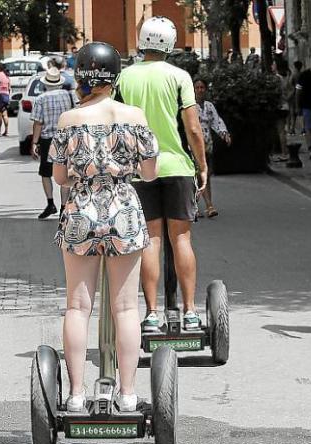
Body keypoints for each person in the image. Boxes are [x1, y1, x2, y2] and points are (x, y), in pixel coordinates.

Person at [49, 41, 158, 411]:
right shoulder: (135, 116)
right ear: (115, 76)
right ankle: (127, 394)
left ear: (80, 76)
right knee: (125, 308)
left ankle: (76, 394)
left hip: (81, 210)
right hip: (123, 208)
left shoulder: (68, 120)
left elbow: (59, 177)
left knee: (78, 307)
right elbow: (150, 172)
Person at [117, 16, 209, 332]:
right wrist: (202, 165)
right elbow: (193, 129)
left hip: (139, 168)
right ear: (170, 43)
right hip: (177, 166)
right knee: (181, 238)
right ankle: (190, 311)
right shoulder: (179, 77)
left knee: (150, 240)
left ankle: (152, 314)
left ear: (142, 41)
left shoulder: (124, 77)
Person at [31, 66, 76, 219]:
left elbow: (38, 123)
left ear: (45, 83)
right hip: (66, 137)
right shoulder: (69, 96)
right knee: (65, 172)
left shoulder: (41, 99)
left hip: (47, 140)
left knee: (45, 173)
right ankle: (64, 206)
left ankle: (50, 203)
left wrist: (34, 143)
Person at [193, 76, 230, 218]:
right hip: (194, 145)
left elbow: (216, 121)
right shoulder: (189, 106)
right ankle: (206, 205)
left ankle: (204, 205)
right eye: (197, 88)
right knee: (198, 175)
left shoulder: (209, 106)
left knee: (206, 175)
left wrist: (224, 134)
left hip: (207, 145)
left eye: (202, 87)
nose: (200, 90)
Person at [273, 60, 291, 162]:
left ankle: (284, 153)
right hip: (285, 105)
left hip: (280, 106)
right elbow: (290, 90)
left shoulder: (277, 78)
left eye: (274, 64)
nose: (272, 66)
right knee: (282, 130)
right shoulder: (285, 77)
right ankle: (285, 152)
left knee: (280, 131)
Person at [0, 62, 11, 136]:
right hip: (6, 95)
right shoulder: (6, 75)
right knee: (5, 114)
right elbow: (9, 88)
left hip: (0, 95)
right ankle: (6, 131)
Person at [288, 60, 303, 134]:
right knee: (301, 113)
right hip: (302, 94)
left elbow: (290, 83)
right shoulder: (302, 75)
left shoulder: (294, 75)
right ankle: (303, 128)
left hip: (294, 95)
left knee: (292, 113)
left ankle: (292, 128)